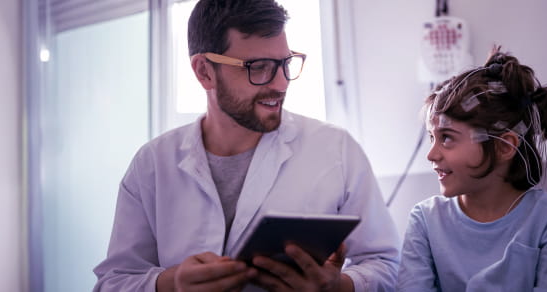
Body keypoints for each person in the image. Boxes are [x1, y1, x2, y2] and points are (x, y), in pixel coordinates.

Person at [92, 0, 400, 291]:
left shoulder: (336, 150)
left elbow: (389, 265)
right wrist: (170, 284)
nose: (280, 83)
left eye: (285, 63)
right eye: (259, 67)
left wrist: (339, 287)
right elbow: (113, 282)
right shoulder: (153, 164)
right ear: (204, 72)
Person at [396, 47, 547, 292]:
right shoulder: (425, 220)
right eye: (431, 137)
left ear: (503, 146)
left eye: (446, 137)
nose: (431, 154)